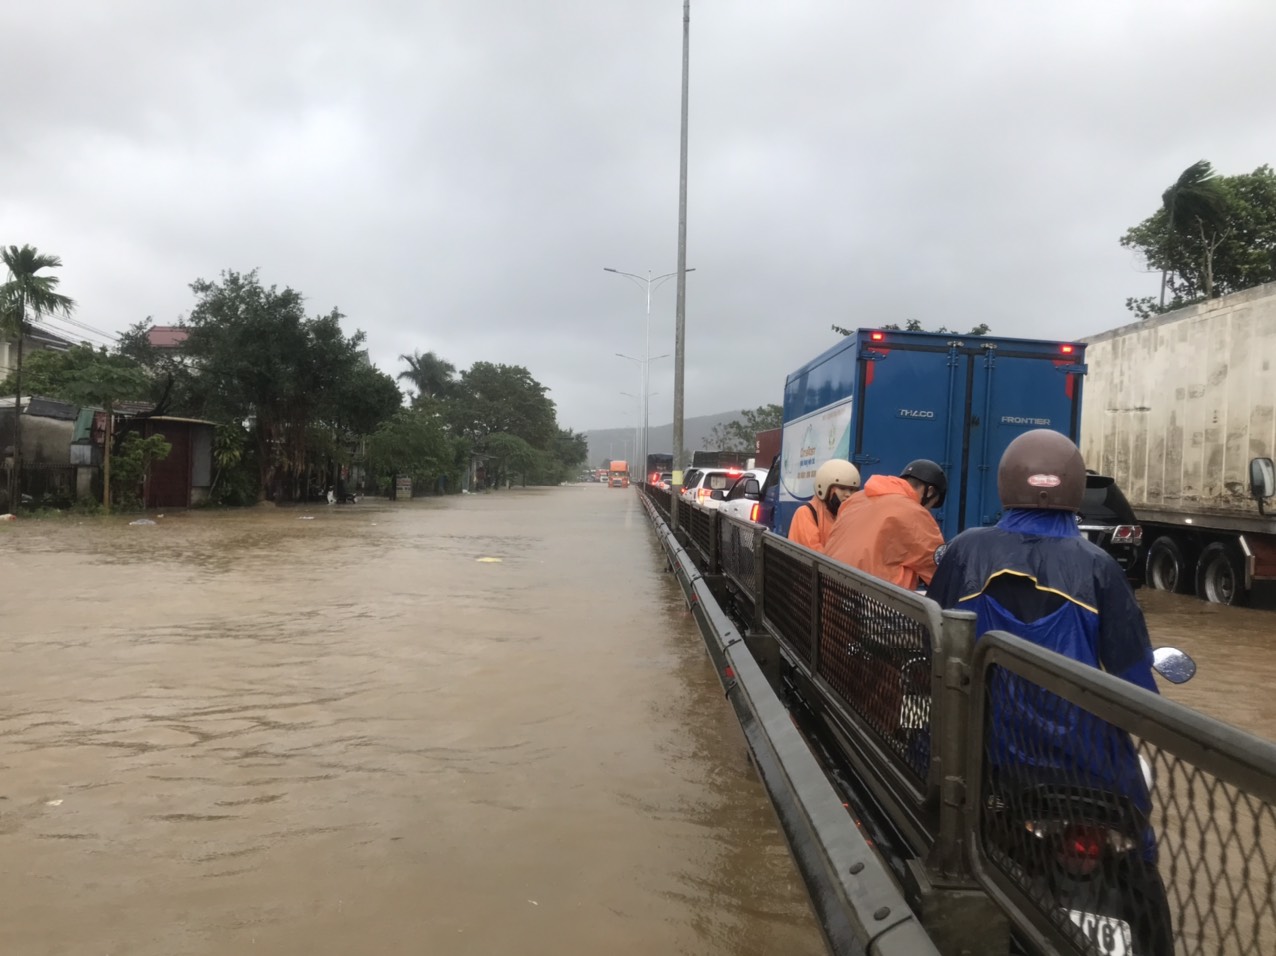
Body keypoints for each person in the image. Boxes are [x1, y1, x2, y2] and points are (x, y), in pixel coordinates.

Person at [926, 430, 1168, 951]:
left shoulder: (966, 551)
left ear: (1005, 483)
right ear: (1076, 489)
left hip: (989, 757)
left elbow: (933, 645)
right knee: (1139, 860)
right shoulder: (1099, 567)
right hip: (1090, 768)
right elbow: (1136, 688)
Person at [823, 458, 947, 590]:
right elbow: (939, 571)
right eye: (932, 504)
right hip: (875, 601)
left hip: (830, 590)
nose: (928, 510)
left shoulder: (855, 499)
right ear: (930, 492)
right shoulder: (914, 512)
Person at [788, 458, 860, 552]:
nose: (848, 494)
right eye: (842, 488)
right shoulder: (806, 513)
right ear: (825, 487)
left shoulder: (848, 516)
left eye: (852, 490)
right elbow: (815, 556)